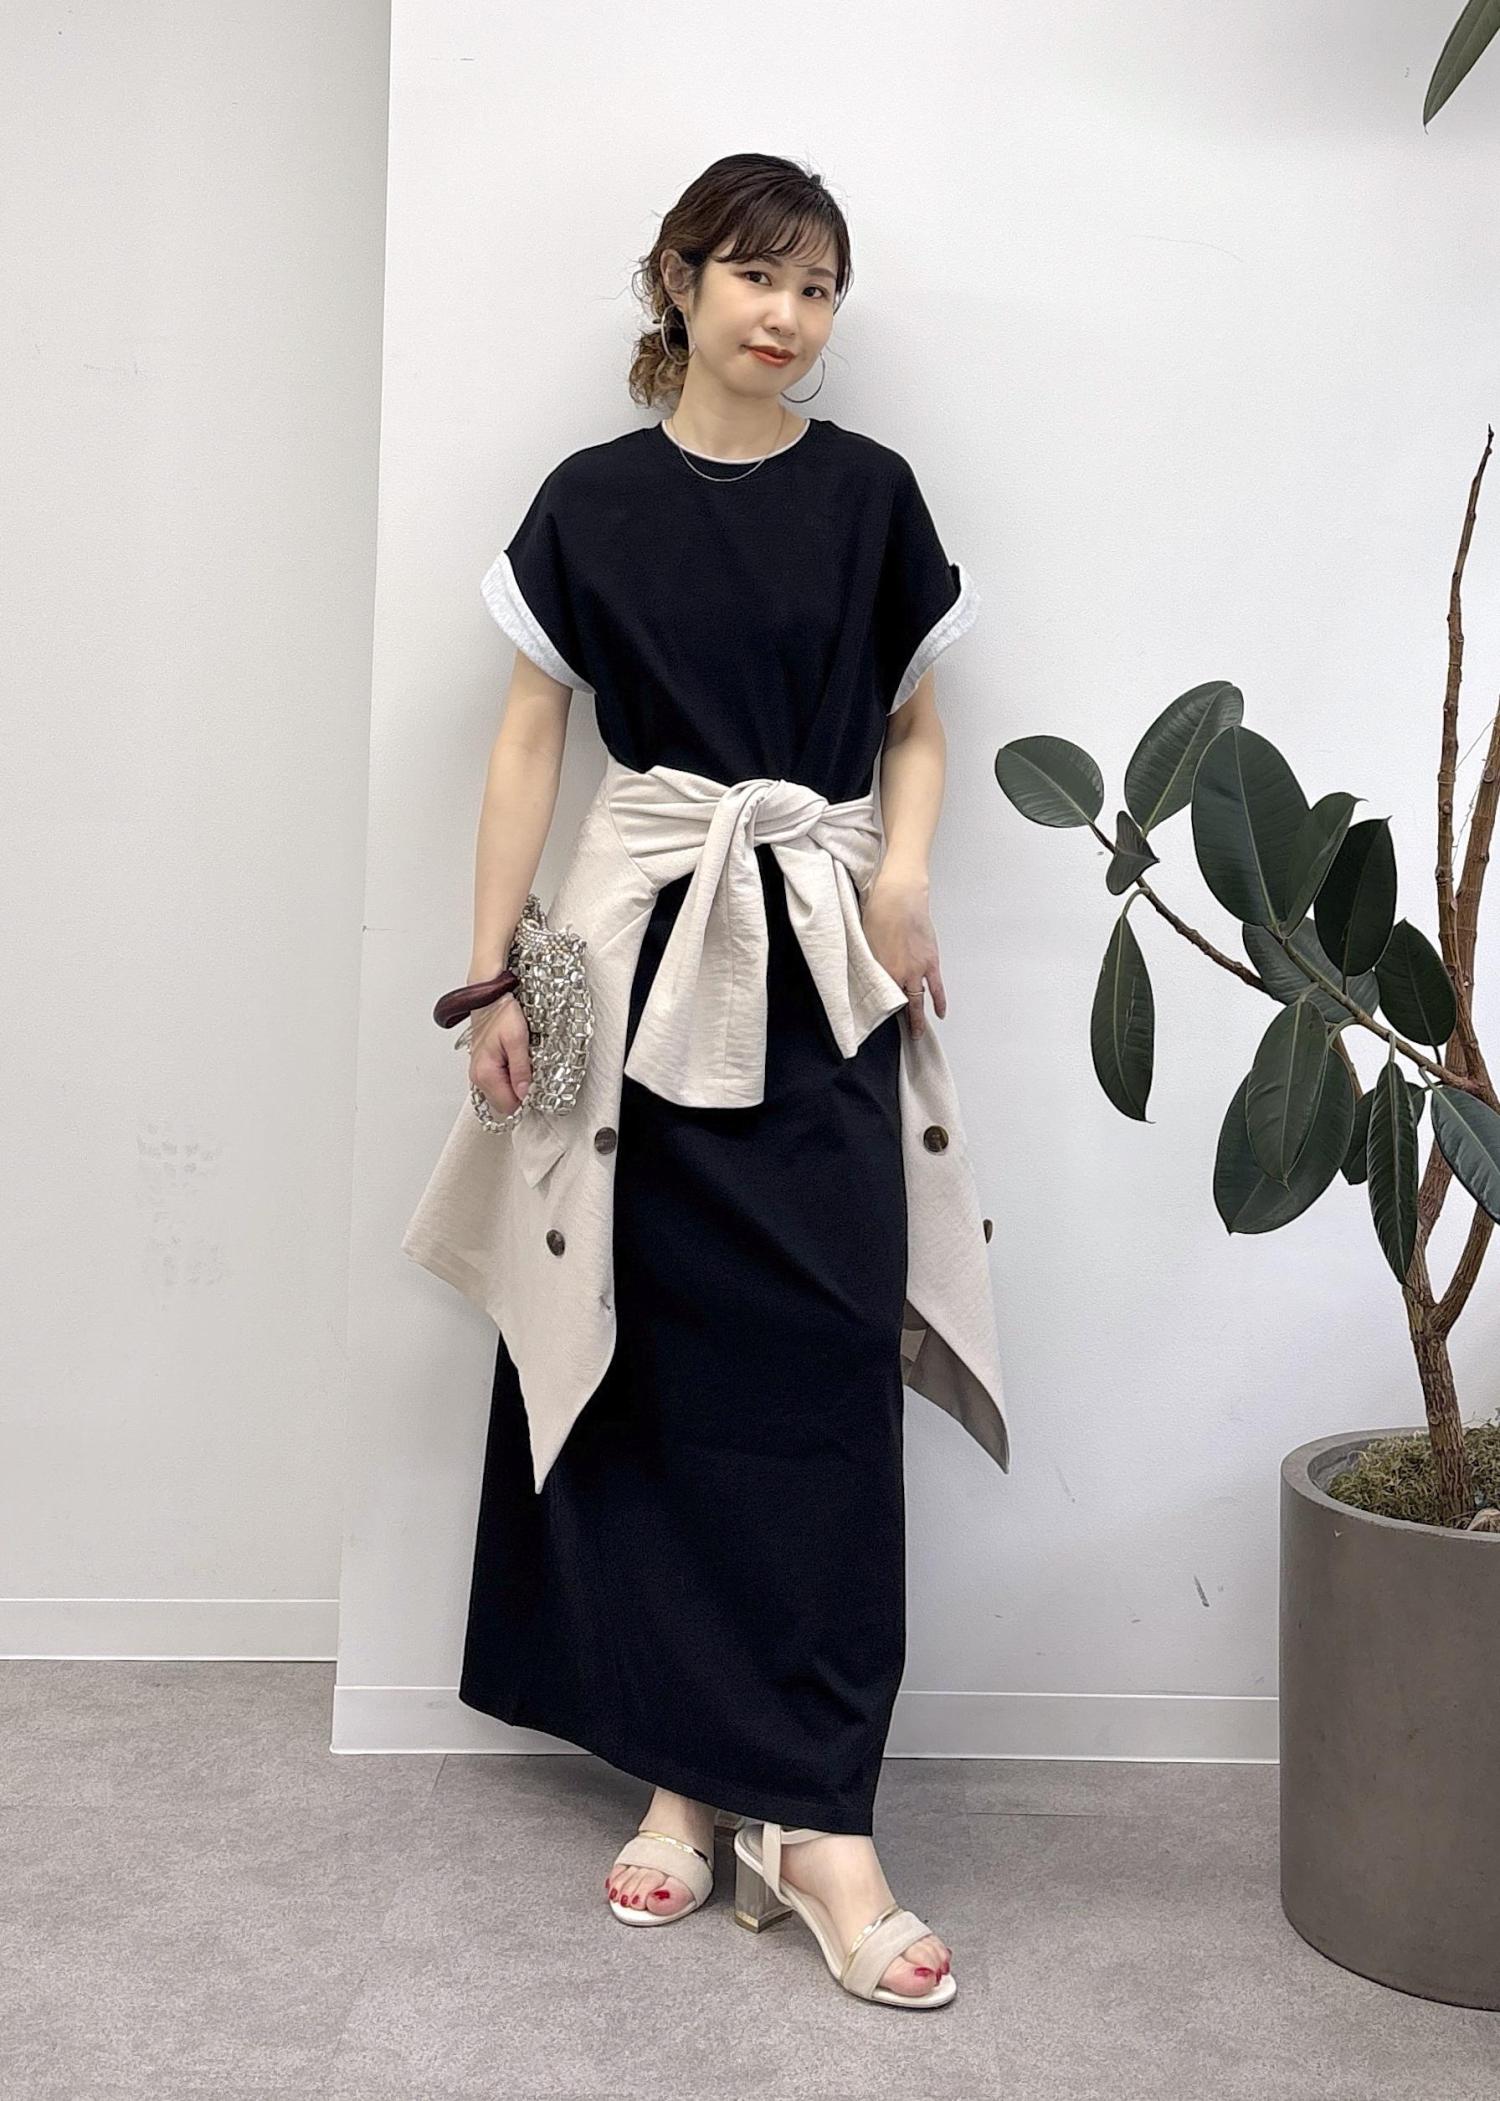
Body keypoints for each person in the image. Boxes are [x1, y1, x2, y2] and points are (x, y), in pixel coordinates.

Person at [407, 152, 1009, 2009]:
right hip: (627, 961)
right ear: (676, 281)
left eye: (820, 287)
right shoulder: (589, 502)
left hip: (815, 957)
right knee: (646, 1365)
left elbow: (916, 725)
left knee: (822, 1374)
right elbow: (530, 741)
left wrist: (902, 876)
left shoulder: (870, 495)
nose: (790, 315)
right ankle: (681, 1777)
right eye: (758, 276)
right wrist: (495, 972)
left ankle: (823, 1824)